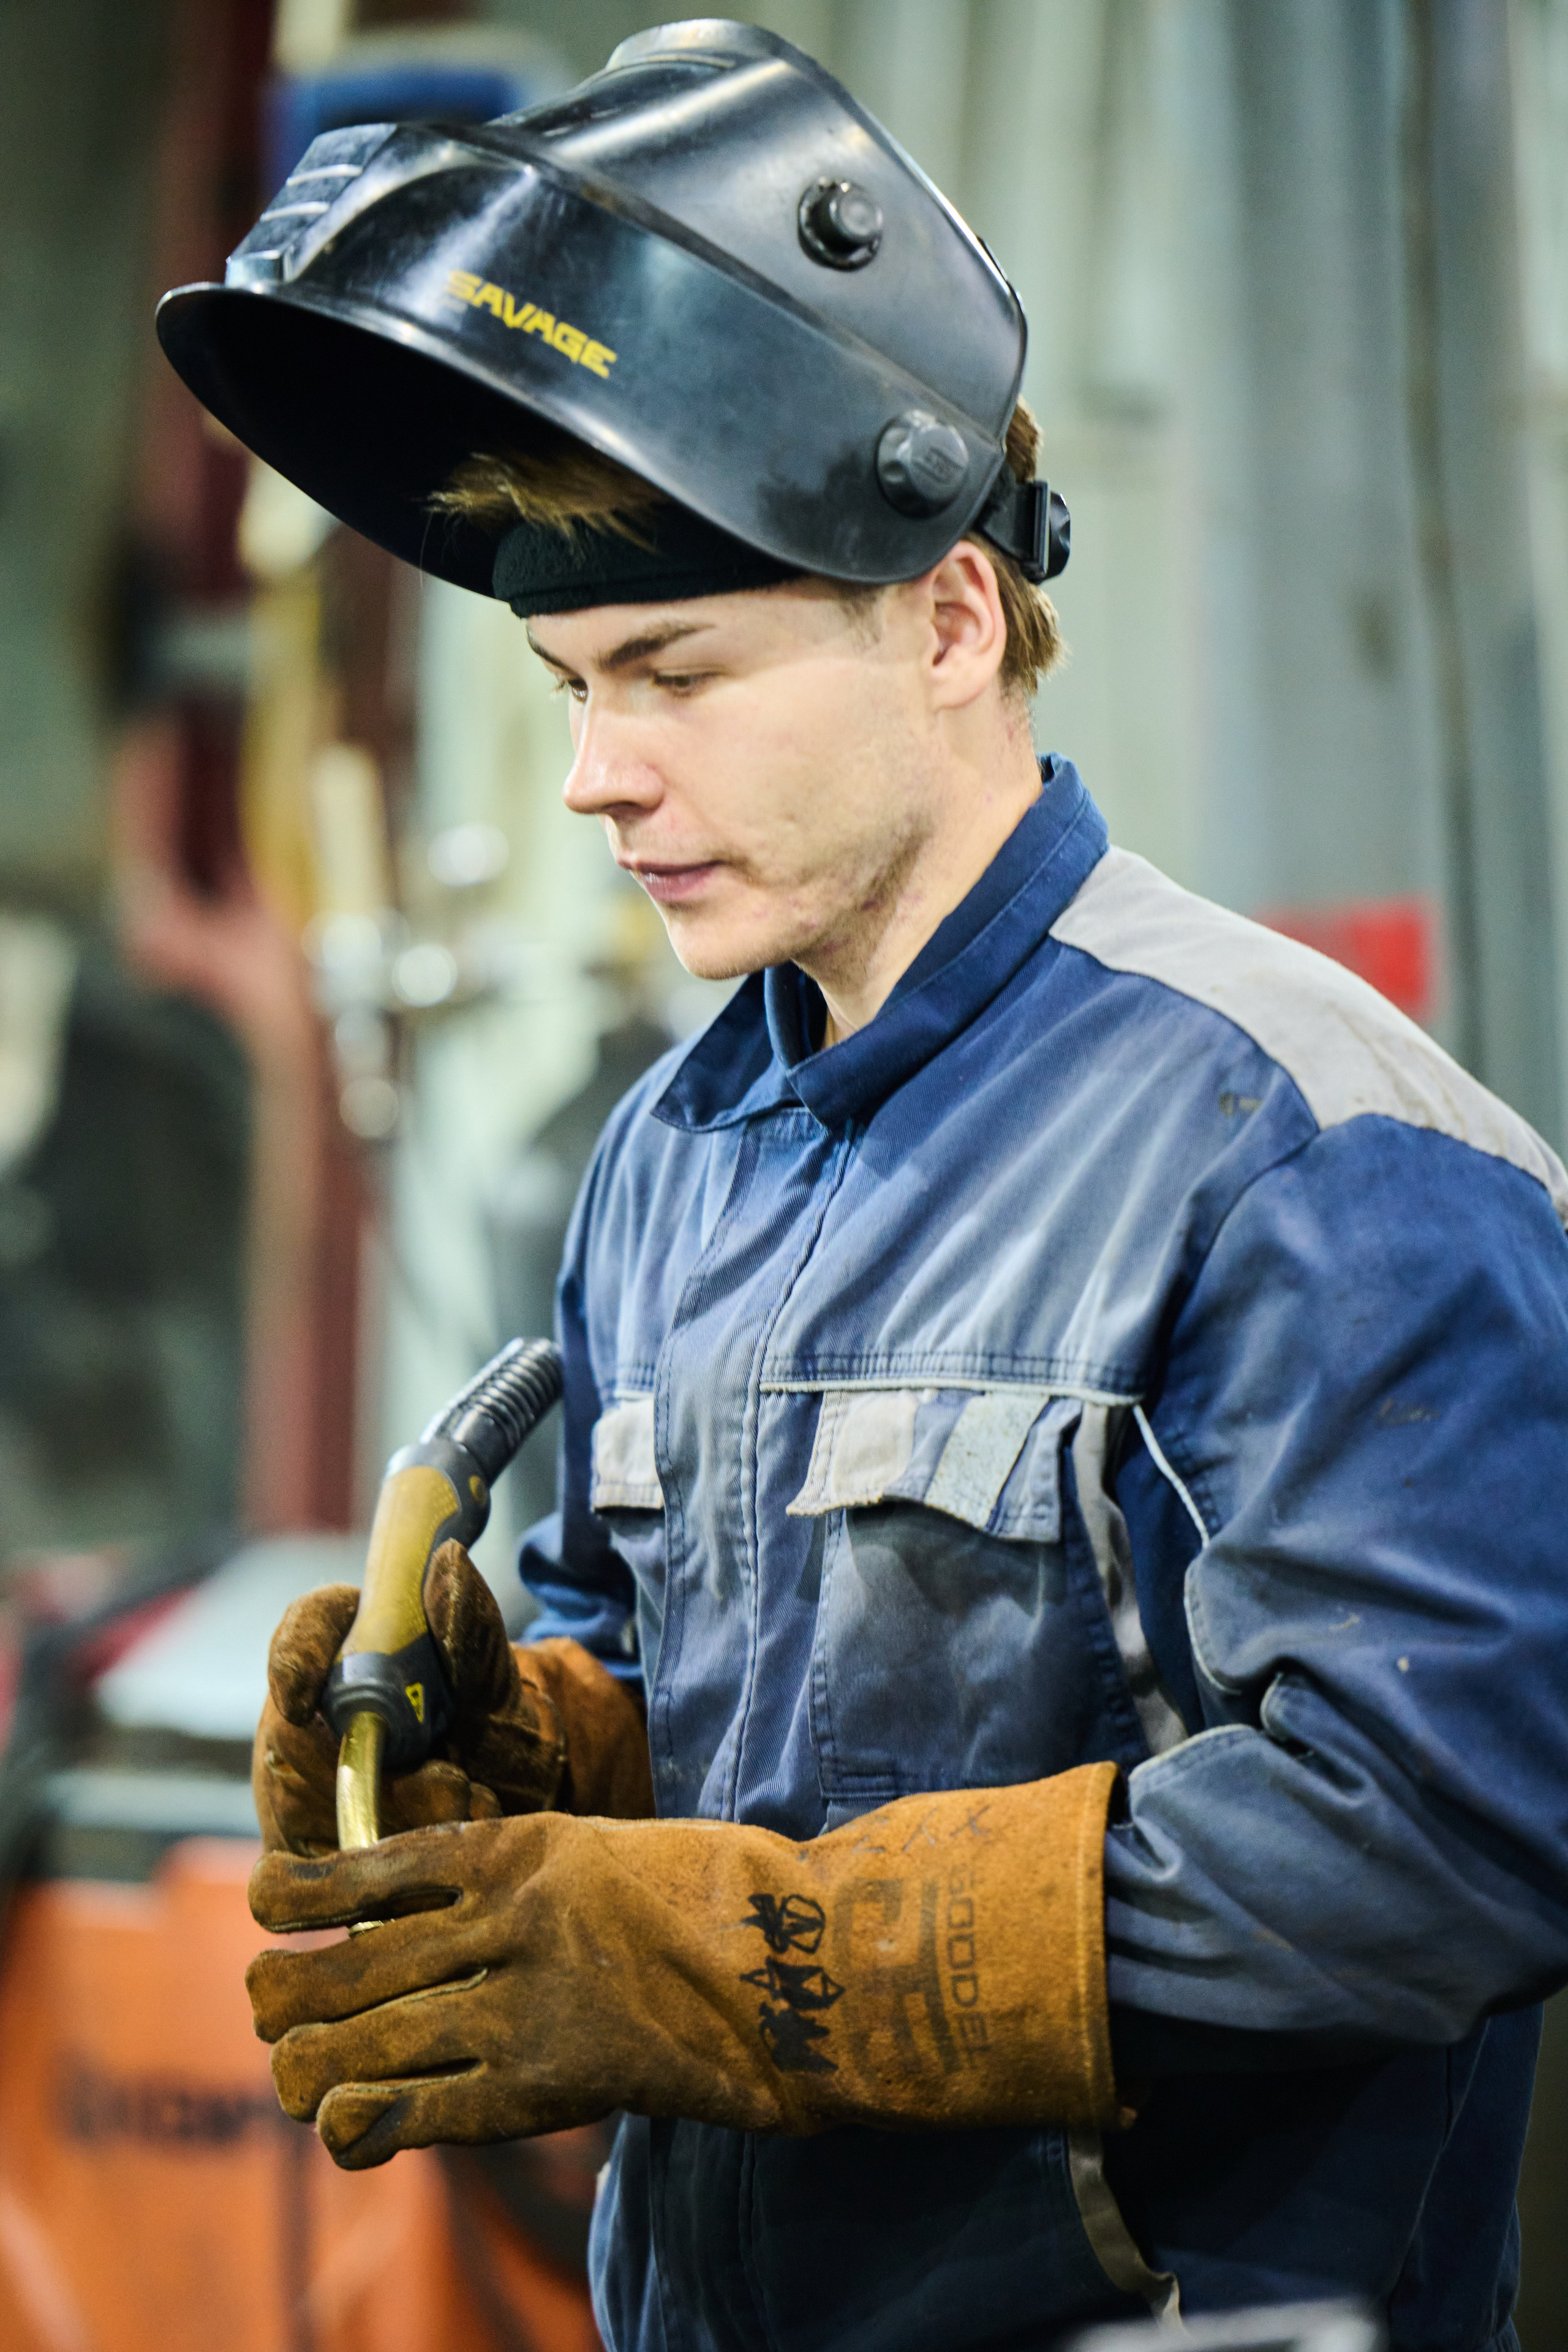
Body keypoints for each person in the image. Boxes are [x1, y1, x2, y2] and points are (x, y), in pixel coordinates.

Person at [162, 23, 1568, 2350]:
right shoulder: (683, 1148)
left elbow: (1448, 1836)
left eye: (680, 675)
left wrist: (733, 1961)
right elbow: (680, 1650)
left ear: (941, 620)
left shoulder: (1307, 1151)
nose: (605, 775)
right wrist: (553, 1751)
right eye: (571, 686)